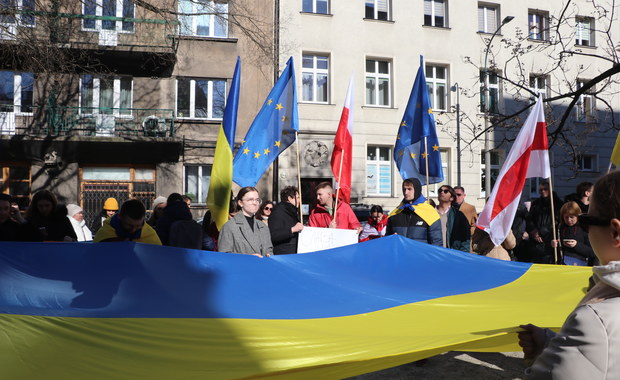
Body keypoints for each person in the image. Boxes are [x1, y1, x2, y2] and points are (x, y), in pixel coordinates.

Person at [518, 171, 620, 379]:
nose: (586, 228)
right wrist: (553, 344)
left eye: (587, 220)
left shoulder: (594, 320)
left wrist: (545, 355)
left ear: (615, 232)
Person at [386, 178, 442, 246]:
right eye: (404, 189)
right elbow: (387, 240)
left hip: (421, 255)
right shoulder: (396, 213)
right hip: (400, 255)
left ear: (417, 190)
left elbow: (437, 243)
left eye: (409, 189)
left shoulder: (430, 212)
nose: (406, 192)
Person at [218, 187, 273, 257]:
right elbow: (224, 255)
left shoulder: (263, 226)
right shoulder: (229, 226)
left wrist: (269, 256)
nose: (255, 203)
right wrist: (248, 258)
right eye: (250, 200)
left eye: (257, 200)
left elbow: (269, 250)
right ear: (240, 203)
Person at [93, 199, 161, 244]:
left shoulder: (150, 235)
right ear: (120, 217)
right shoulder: (105, 232)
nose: (133, 230)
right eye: (129, 225)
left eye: (138, 226)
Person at [526, 181, 563, 264]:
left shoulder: (558, 204)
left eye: (545, 189)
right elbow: (529, 219)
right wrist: (533, 231)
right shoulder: (535, 204)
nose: (543, 191)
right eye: (541, 190)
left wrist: (542, 232)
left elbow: (557, 221)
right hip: (536, 241)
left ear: (550, 189)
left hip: (550, 239)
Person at [551, 201, 595, 266]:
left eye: (572, 217)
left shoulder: (584, 228)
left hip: (580, 265)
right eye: (566, 217)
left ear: (577, 216)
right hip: (561, 264)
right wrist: (552, 245)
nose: (569, 220)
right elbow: (548, 250)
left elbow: (592, 253)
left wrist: (576, 245)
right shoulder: (559, 228)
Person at [435, 185, 471, 252]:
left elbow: (465, 238)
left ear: (451, 198)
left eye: (445, 191)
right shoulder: (430, 213)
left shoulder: (458, 215)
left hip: (451, 254)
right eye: (440, 191)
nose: (442, 192)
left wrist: (462, 255)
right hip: (434, 253)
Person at [269, 186, 304, 254]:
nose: (299, 200)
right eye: (297, 198)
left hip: (293, 253)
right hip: (284, 254)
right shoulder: (278, 212)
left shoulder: (292, 212)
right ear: (289, 198)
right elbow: (273, 235)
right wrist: (292, 229)